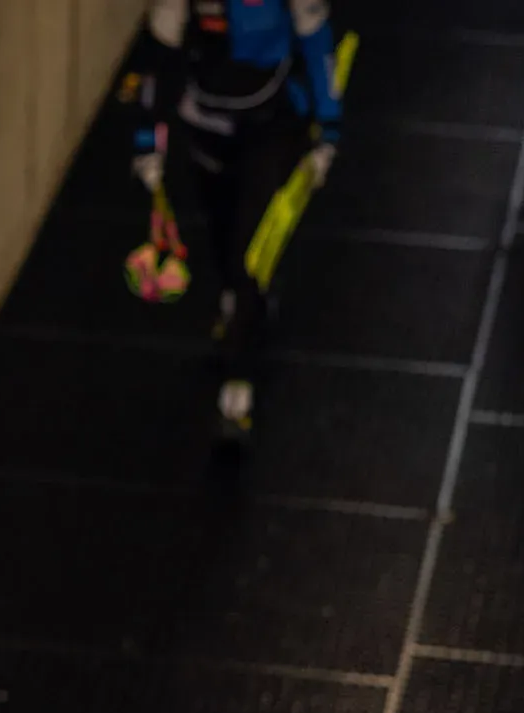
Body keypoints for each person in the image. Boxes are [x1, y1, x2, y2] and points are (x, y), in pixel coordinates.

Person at [123, 0, 343, 447]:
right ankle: (236, 300)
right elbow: (155, 57)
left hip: (270, 125)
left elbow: (318, 44)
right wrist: (146, 140)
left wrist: (328, 130)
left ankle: (238, 381)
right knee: (222, 237)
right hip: (205, 124)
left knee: (249, 250)